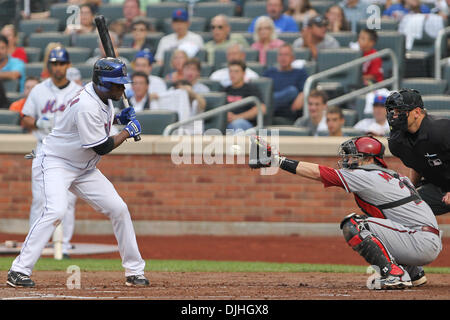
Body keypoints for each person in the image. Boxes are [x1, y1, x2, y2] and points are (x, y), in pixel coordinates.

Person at [6, 57, 149, 288]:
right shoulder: (86, 104)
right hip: (56, 162)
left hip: (83, 168)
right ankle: (18, 270)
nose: (123, 88)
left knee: (119, 209)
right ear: (103, 84)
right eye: (118, 84)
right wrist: (127, 131)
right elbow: (102, 146)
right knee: (56, 210)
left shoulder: (100, 95)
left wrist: (117, 117)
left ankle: (134, 271)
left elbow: (100, 118)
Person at [249, 135, 442, 289]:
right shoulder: (391, 176)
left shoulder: (367, 175)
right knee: (375, 221)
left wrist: (278, 160)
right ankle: (413, 272)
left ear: (368, 159)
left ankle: (394, 274)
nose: (348, 160)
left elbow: (319, 172)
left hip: (419, 241)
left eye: (353, 156)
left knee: (355, 225)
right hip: (423, 239)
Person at [20, 47, 83, 260]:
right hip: (43, 150)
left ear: (68, 65)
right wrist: (38, 122)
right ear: (49, 66)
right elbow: (25, 117)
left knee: (69, 199)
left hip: (70, 153)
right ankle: (34, 247)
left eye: (61, 63)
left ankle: (63, 246)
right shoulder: (38, 90)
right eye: (54, 64)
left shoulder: (77, 91)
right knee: (40, 200)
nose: (58, 67)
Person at [385, 88, 450, 216]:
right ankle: (423, 236)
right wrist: (411, 189)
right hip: (439, 187)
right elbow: (418, 163)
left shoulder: (441, 130)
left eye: (400, 111)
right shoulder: (397, 141)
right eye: (393, 111)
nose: (395, 115)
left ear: (417, 112)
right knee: (401, 206)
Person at [263, 44, 309, 123]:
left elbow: (306, 90)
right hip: (271, 112)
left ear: (292, 58)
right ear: (277, 57)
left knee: (292, 91)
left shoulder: (300, 73)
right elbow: (263, 93)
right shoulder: (270, 72)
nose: (283, 58)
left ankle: (270, 105)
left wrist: (302, 95)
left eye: (286, 55)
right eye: (280, 55)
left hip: (289, 112)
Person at [224, 60, 266, 131]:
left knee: (237, 124)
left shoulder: (251, 89)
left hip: (245, 124)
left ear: (243, 73)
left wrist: (237, 117)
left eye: (236, 71)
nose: (233, 74)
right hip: (226, 122)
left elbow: (262, 108)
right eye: (231, 71)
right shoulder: (225, 90)